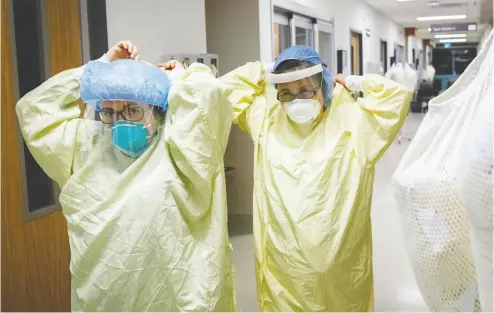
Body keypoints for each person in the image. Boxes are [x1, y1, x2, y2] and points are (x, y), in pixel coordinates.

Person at [16, 41, 235, 312]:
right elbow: (33, 109)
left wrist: (179, 78)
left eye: (132, 111)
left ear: (158, 110)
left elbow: (209, 97)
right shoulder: (88, 145)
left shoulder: (182, 148)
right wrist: (97, 68)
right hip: (104, 300)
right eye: (109, 111)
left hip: (173, 299)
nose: (120, 122)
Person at [218, 45, 412, 311]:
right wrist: (267, 69)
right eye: (286, 93)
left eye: (306, 90)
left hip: (339, 269)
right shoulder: (267, 121)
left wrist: (354, 81)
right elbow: (222, 91)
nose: (297, 100)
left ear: (326, 86)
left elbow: (397, 96)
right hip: (285, 270)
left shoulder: (354, 121)